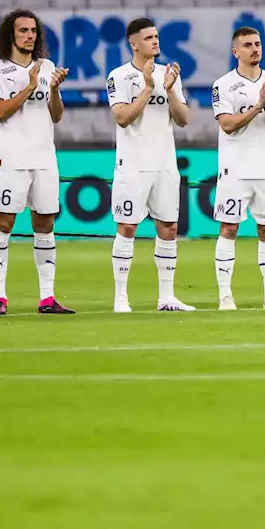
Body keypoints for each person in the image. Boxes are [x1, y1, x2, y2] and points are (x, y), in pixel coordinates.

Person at [0, 10, 73, 316]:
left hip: (44, 157)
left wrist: (54, 90)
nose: (30, 35)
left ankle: (47, 297)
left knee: (45, 224)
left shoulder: (46, 67)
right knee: (3, 224)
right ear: (11, 35)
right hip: (11, 158)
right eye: (23, 31)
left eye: (33, 30)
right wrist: (30, 87)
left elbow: (56, 116)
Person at [106, 18, 195, 313]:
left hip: (165, 162)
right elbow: (122, 117)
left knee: (168, 228)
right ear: (134, 44)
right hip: (133, 163)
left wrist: (169, 89)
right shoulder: (118, 76)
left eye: (156, 37)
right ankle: (120, 297)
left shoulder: (169, 73)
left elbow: (183, 119)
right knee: (128, 226)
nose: (155, 41)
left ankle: (166, 297)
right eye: (149, 38)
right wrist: (147, 88)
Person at [211, 27, 265, 310]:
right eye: (248, 45)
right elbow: (226, 124)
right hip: (235, 168)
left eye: (258, 44)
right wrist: (257, 105)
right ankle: (225, 296)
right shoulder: (223, 85)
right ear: (235, 51)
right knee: (229, 227)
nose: (255, 49)